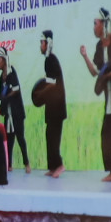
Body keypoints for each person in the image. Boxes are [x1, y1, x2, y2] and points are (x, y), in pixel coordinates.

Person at [80, 7, 111, 185]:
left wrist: (106, 75)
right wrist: (85, 56)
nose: (93, 27)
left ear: (103, 24)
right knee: (106, 134)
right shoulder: (99, 46)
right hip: (109, 96)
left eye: (95, 23)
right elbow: (95, 71)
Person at [37, 29, 67, 178]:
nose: (40, 45)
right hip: (52, 106)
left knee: (54, 137)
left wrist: (41, 93)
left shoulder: (51, 60)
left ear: (48, 43)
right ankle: (53, 166)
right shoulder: (47, 61)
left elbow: (53, 83)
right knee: (49, 136)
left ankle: (59, 165)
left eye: (42, 42)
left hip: (57, 107)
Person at [0, 49, 29, 173]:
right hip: (8, 114)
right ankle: (9, 165)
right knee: (9, 139)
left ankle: (27, 164)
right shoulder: (1, 78)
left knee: (20, 138)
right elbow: (2, 96)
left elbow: (16, 89)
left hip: (17, 112)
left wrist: (6, 96)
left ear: (4, 60)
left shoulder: (11, 72)